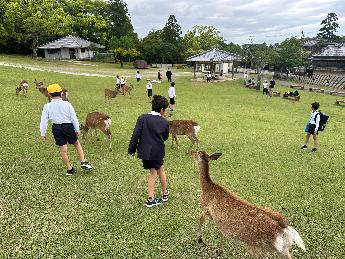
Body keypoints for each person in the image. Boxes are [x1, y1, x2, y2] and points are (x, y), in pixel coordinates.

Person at [39, 84, 92, 176]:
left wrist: (42, 133)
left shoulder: (47, 106)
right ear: (61, 93)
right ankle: (83, 162)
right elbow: (74, 118)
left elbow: (44, 120)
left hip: (56, 128)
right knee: (76, 143)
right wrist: (77, 129)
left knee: (63, 150)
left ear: (50, 95)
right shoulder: (67, 104)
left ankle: (69, 169)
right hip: (68, 126)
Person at [128, 95, 170, 207]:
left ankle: (164, 193)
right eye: (165, 110)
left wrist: (131, 150)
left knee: (157, 169)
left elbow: (135, 135)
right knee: (156, 171)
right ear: (162, 110)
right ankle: (152, 198)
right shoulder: (165, 122)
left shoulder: (142, 118)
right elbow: (165, 137)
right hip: (157, 152)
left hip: (145, 152)